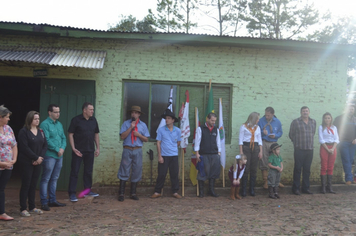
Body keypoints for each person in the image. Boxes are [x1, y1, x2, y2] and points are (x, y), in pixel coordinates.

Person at [68, 102, 100, 202]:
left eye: (93, 110)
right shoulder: (76, 120)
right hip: (78, 151)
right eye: (90, 110)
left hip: (90, 150)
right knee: (75, 172)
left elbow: (96, 134)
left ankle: (87, 191)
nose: (92, 111)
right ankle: (72, 193)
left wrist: (98, 147)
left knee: (88, 172)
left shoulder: (93, 120)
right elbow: (70, 134)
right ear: (84, 110)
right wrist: (73, 148)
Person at [18, 111, 47, 217]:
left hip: (38, 162)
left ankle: (32, 206)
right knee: (26, 184)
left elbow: (45, 145)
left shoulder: (41, 131)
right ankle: (23, 208)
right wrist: (35, 157)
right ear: (30, 119)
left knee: (33, 184)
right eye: (35, 119)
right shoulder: (24, 132)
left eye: (38, 118)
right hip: (26, 162)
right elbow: (24, 147)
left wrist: (40, 158)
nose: (37, 120)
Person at [118, 106, 149, 202]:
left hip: (137, 149)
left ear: (139, 114)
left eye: (136, 113)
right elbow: (122, 136)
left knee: (137, 170)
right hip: (127, 149)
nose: (133, 114)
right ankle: (121, 193)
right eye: (132, 112)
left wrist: (139, 135)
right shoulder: (126, 123)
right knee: (124, 169)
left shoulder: (143, 125)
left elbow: (146, 139)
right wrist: (130, 128)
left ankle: (133, 193)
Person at [39, 104, 67, 211]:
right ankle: (44, 202)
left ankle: (52, 200)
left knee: (54, 178)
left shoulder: (59, 124)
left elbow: (64, 138)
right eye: (55, 112)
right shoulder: (44, 124)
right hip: (49, 156)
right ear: (49, 113)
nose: (58, 114)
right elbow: (46, 140)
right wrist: (57, 149)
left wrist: (62, 149)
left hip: (59, 156)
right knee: (46, 178)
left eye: (59, 112)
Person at [151, 109, 182, 199]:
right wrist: (159, 156)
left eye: (169, 118)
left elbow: (179, 142)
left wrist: (172, 148)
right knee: (161, 174)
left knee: (174, 174)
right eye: (166, 118)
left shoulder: (178, 131)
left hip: (174, 155)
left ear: (173, 120)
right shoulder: (161, 130)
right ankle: (157, 191)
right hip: (164, 156)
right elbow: (158, 143)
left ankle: (175, 192)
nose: (166, 120)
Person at [289, 106, 316, 195]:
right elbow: (291, 134)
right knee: (297, 169)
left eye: (307, 111)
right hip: (299, 149)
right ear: (301, 112)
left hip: (309, 149)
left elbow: (313, 133)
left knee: (307, 170)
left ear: (309, 112)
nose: (305, 112)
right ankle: (296, 188)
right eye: (303, 111)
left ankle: (306, 188)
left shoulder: (313, 122)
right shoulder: (295, 122)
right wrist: (297, 143)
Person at [194, 112, 221, 198]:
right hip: (204, 154)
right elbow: (197, 142)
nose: (213, 122)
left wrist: (219, 152)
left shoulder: (216, 129)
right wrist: (197, 153)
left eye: (215, 121)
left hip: (214, 154)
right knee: (202, 173)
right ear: (208, 119)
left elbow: (218, 142)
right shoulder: (200, 129)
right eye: (212, 120)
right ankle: (201, 192)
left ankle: (211, 190)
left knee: (213, 173)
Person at [258, 107, 283, 189]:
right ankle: (266, 181)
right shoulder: (261, 121)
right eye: (266, 115)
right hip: (264, 142)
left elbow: (280, 132)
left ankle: (276, 181)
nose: (266, 117)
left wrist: (275, 135)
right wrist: (262, 132)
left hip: (274, 143)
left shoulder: (277, 121)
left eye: (268, 115)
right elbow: (257, 132)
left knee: (275, 160)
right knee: (264, 160)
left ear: (272, 114)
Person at [239, 112, 263, 197]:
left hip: (255, 148)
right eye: (257, 118)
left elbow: (260, 140)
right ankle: (243, 189)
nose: (258, 120)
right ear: (253, 119)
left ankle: (252, 189)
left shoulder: (258, 127)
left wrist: (261, 151)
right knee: (246, 167)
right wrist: (241, 152)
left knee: (254, 168)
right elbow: (240, 140)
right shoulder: (244, 126)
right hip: (246, 147)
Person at [0, 106, 17, 221]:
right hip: (1, 164)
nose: (8, 119)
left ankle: (2, 212)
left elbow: (14, 145)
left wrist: (14, 159)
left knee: (1, 189)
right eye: (7, 117)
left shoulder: (8, 129)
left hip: (8, 165)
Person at [333, 105, 356, 185]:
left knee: (350, 160)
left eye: (352, 109)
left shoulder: (354, 119)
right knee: (346, 160)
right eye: (349, 109)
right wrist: (338, 139)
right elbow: (334, 129)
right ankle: (349, 179)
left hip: (353, 143)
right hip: (343, 143)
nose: (351, 110)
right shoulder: (339, 118)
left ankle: (349, 178)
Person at [319, 112, 339, 194]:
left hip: (333, 147)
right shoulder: (321, 127)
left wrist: (333, 148)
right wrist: (327, 149)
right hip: (324, 147)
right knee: (324, 166)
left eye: (329, 118)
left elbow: (337, 139)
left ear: (331, 119)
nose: (327, 119)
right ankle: (323, 187)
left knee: (331, 166)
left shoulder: (334, 128)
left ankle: (329, 187)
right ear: (323, 119)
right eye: (326, 118)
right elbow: (321, 139)